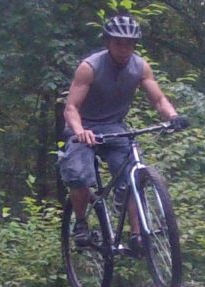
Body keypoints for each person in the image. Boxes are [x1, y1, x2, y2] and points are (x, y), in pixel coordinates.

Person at [59, 13, 183, 229]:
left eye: (129, 44)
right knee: (78, 176)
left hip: (114, 128)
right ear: (108, 42)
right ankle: (80, 223)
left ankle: (138, 235)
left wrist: (173, 116)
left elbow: (159, 99)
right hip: (83, 126)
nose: (124, 49)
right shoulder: (90, 67)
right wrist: (80, 131)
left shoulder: (140, 67)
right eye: (118, 43)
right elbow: (71, 108)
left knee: (132, 178)